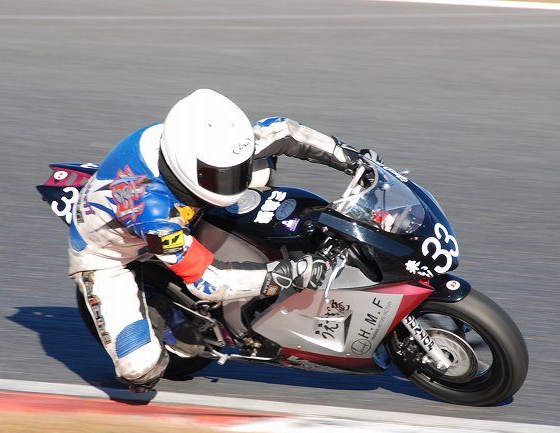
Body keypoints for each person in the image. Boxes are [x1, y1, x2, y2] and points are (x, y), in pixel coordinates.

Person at [70, 88, 376, 392]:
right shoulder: (153, 215)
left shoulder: (210, 144)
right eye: (222, 176)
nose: (234, 182)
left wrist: (351, 159)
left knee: (260, 172)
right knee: (140, 369)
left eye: (236, 171)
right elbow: (207, 282)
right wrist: (288, 273)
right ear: (185, 165)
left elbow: (284, 131)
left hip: (184, 209)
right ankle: (165, 314)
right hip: (111, 257)